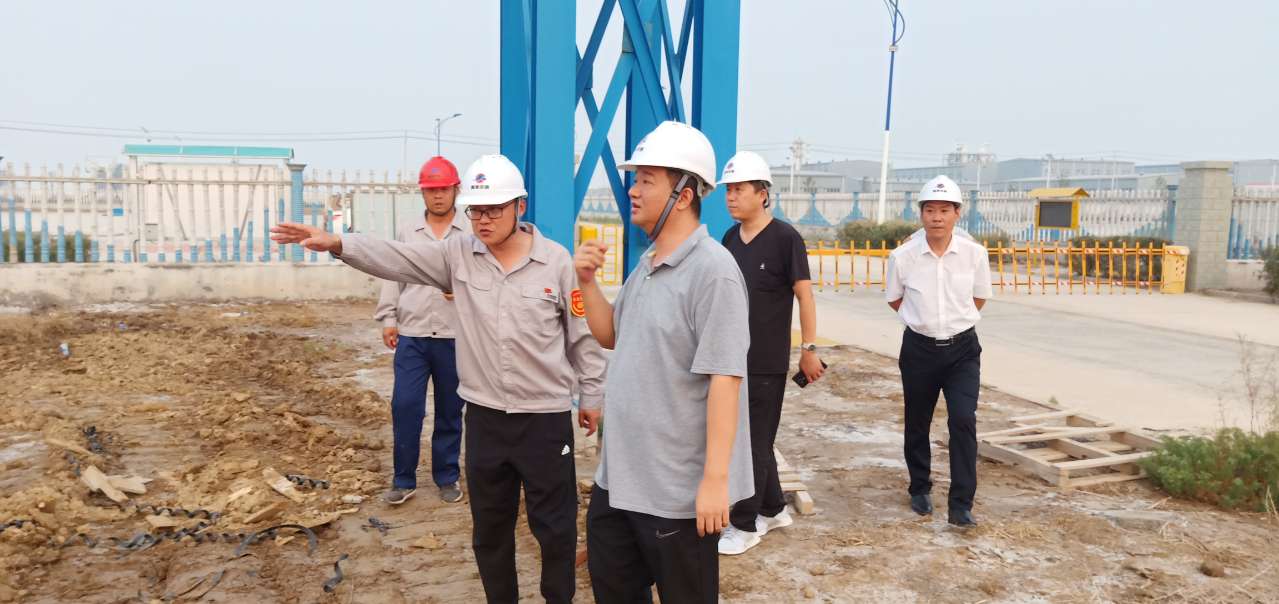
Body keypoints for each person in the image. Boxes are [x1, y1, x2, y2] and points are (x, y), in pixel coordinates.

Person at [271, 154, 606, 603]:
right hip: (485, 419)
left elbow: (581, 335)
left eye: (494, 210)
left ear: (520, 207)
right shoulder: (458, 255)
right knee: (490, 530)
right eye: (476, 211)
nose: (483, 220)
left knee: (555, 529)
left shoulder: (556, 262)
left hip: (543, 420)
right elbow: (398, 258)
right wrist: (338, 243)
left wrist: (592, 394)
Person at [574, 120, 753, 602]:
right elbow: (612, 335)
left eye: (646, 180)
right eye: (635, 179)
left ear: (684, 194)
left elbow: (725, 380)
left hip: (676, 493)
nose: (632, 191)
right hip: (619, 481)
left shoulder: (713, 272)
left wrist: (715, 481)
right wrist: (586, 283)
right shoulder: (648, 264)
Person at [715, 150, 824, 555]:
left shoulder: (785, 238)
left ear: (762, 194)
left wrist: (809, 348)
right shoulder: (729, 240)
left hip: (765, 362)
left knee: (753, 443)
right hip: (731, 358)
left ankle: (744, 525)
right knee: (748, 439)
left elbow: (805, 296)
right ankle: (774, 508)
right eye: (728, 190)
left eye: (739, 189)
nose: (731, 197)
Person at [884, 175, 993, 528]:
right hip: (919, 349)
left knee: (963, 420)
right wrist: (923, 321)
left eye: (944, 210)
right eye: (930, 210)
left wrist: (954, 322)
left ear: (957, 213)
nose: (936, 217)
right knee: (917, 421)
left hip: (963, 350)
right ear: (921, 214)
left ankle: (961, 504)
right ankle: (919, 488)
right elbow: (895, 298)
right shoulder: (903, 256)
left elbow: (979, 296)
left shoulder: (974, 254)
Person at [375, 155, 469, 506]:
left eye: (443, 189)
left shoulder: (470, 232)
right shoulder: (408, 230)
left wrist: (460, 291)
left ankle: (447, 476)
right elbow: (392, 272)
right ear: (423, 193)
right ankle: (403, 479)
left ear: (456, 189)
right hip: (412, 334)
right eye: (431, 190)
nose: (438, 196)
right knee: (405, 405)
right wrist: (389, 318)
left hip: (454, 335)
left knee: (450, 409)